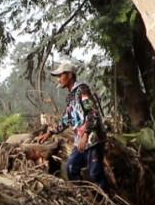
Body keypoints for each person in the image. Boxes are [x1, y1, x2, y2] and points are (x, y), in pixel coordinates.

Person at [39, 61, 109, 190]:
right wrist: (50, 132)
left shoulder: (82, 90)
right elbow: (67, 119)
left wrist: (85, 135)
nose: (59, 79)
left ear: (70, 75)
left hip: (93, 140)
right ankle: (83, 196)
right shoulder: (71, 97)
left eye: (61, 75)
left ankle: (106, 201)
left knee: (95, 173)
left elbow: (92, 112)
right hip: (80, 141)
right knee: (71, 167)